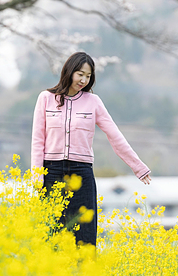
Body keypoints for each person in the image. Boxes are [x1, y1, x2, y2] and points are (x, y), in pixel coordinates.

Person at [31, 52, 151, 245]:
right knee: (50, 235)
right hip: (52, 172)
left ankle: (85, 275)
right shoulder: (46, 98)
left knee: (85, 237)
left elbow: (115, 136)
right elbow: (38, 140)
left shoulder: (93, 102)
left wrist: (138, 166)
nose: (84, 80)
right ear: (69, 71)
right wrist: (37, 177)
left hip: (82, 174)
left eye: (88, 76)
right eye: (80, 74)